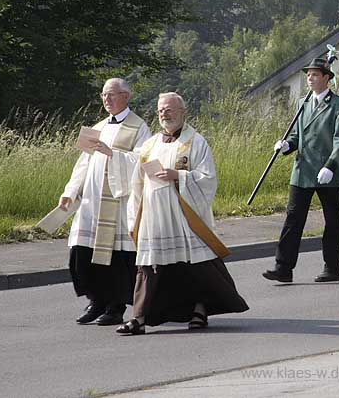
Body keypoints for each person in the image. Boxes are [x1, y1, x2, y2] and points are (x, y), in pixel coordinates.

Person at [116, 93, 248, 335]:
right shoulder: (149, 145)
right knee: (148, 266)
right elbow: (137, 184)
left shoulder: (195, 142)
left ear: (182, 111)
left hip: (184, 215)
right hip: (154, 215)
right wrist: (134, 216)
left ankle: (200, 310)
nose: (164, 114)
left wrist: (178, 176)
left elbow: (208, 179)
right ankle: (138, 318)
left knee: (193, 266)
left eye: (169, 109)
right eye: (160, 110)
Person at [59, 78, 151, 326]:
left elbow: (143, 160)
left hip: (117, 202)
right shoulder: (97, 127)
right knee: (81, 252)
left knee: (114, 258)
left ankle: (115, 306)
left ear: (126, 96)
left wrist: (114, 154)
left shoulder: (138, 127)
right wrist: (70, 191)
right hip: (91, 201)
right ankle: (96, 300)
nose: (106, 100)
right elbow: (82, 164)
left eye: (111, 95)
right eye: (103, 95)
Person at [263, 57, 339, 284]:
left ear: (326, 77)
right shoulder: (303, 102)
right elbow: (296, 135)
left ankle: (332, 267)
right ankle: (283, 267)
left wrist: (331, 166)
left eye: (314, 75)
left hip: (326, 171)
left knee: (332, 221)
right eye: (308, 75)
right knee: (293, 219)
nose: (309, 79)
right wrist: (286, 146)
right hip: (303, 170)